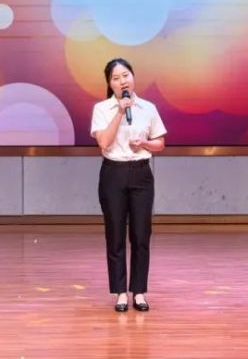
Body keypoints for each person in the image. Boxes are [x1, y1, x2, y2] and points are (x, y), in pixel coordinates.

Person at [90, 58, 166, 312]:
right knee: (115, 234)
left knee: (141, 235)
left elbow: (160, 143)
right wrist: (120, 112)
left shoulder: (148, 108)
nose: (122, 81)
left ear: (133, 77)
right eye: (116, 78)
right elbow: (104, 142)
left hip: (141, 173)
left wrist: (144, 143)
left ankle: (139, 292)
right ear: (110, 84)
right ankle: (121, 293)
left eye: (126, 75)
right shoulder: (102, 109)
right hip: (113, 173)